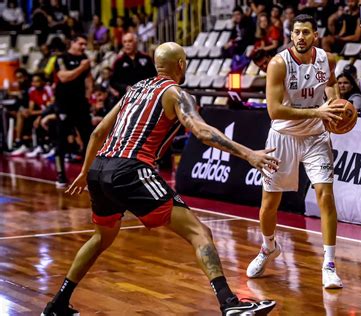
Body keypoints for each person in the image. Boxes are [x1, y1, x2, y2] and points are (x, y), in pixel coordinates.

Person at [41, 42, 278, 316]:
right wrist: (249, 154)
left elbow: (98, 133)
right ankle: (230, 304)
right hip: (131, 169)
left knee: (100, 238)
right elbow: (201, 132)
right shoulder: (176, 93)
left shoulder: (134, 90)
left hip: (99, 169)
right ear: (181, 65)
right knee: (200, 232)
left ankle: (57, 304)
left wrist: (85, 172)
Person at [246, 14, 346, 289]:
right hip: (283, 136)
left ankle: (329, 265)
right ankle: (268, 248)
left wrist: (335, 104)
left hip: (316, 136)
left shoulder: (327, 59)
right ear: (291, 36)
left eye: (306, 32)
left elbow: (330, 84)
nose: (301, 37)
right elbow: (273, 110)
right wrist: (318, 110)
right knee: (269, 204)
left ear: (315, 34)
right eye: (297, 32)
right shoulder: (279, 63)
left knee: (325, 195)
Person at [53, 34, 94, 188]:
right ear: (72, 43)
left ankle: (89, 173)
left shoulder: (85, 58)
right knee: (61, 140)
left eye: (85, 44)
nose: (83, 47)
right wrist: (81, 67)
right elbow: (64, 77)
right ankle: (61, 174)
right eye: (81, 44)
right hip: (64, 104)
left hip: (80, 105)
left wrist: (89, 96)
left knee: (89, 138)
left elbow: (88, 79)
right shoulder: (62, 58)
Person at [110, 32, 157, 97]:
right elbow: (113, 82)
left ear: (136, 42)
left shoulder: (146, 58)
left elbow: (154, 76)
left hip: (145, 95)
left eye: (130, 41)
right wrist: (125, 87)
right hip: (126, 97)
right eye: (125, 42)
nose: (127, 44)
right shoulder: (119, 61)